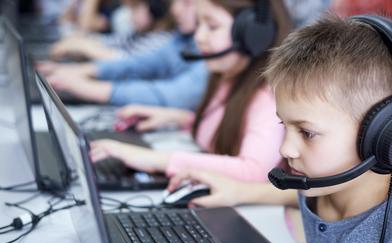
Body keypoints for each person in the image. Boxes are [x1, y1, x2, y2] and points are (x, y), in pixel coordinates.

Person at [168, 14, 392, 243]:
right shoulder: (323, 187)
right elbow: (294, 197)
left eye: (307, 133)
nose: (285, 149)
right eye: (283, 125)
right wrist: (238, 192)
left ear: (380, 136)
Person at [89, 0, 293, 182]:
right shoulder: (227, 77)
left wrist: (155, 160)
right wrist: (180, 119)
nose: (199, 37)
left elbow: (255, 171)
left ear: (254, 34)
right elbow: (228, 133)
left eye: (212, 26)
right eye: (199, 24)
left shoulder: (267, 97)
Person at [39, 0, 208, 108]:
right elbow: (140, 64)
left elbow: (174, 94)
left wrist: (89, 87)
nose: (175, 9)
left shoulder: (171, 38)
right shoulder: (181, 38)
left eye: (187, 2)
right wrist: (80, 71)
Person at [50, 0, 174, 61]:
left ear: (156, 9)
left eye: (135, 8)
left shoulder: (161, 40)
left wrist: (83, 46)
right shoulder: (140, 35)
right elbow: (108, 41)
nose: (130, 16)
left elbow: (127, 61)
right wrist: (76, 42)